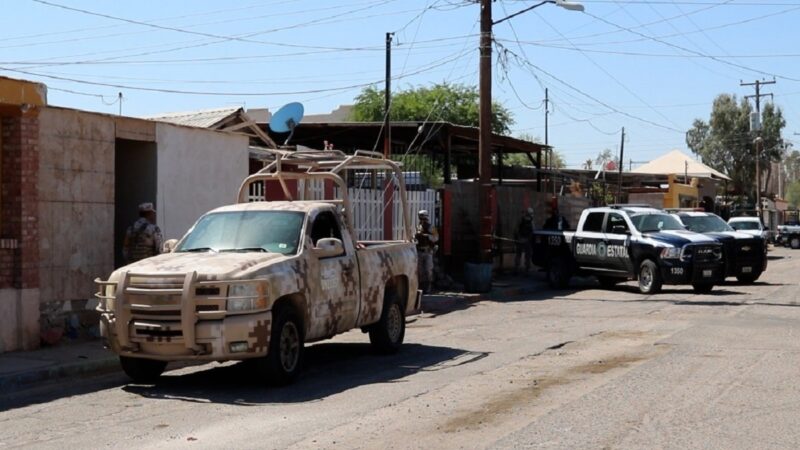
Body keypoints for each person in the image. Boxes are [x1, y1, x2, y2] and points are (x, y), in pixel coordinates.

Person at [415, 210, 439, 293]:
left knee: (428, 269)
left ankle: (429, 286)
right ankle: (421, 287)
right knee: (420, 271)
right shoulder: (419, 226)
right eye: (420, 217)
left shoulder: (430, 227)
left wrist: (427, 236)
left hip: (428, 251)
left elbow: (436, 238)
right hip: (419, 251)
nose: (421, 219)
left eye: (422, 217)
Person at [514, 208, 534, 274]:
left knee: (518, 255)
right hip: (527, 240)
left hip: (521, 239)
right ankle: (527, 270)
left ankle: (516, 269)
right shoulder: (531, 221)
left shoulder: (521, 219)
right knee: (527, 256)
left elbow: (516, 229)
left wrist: (517, 238)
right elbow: (533, 231)